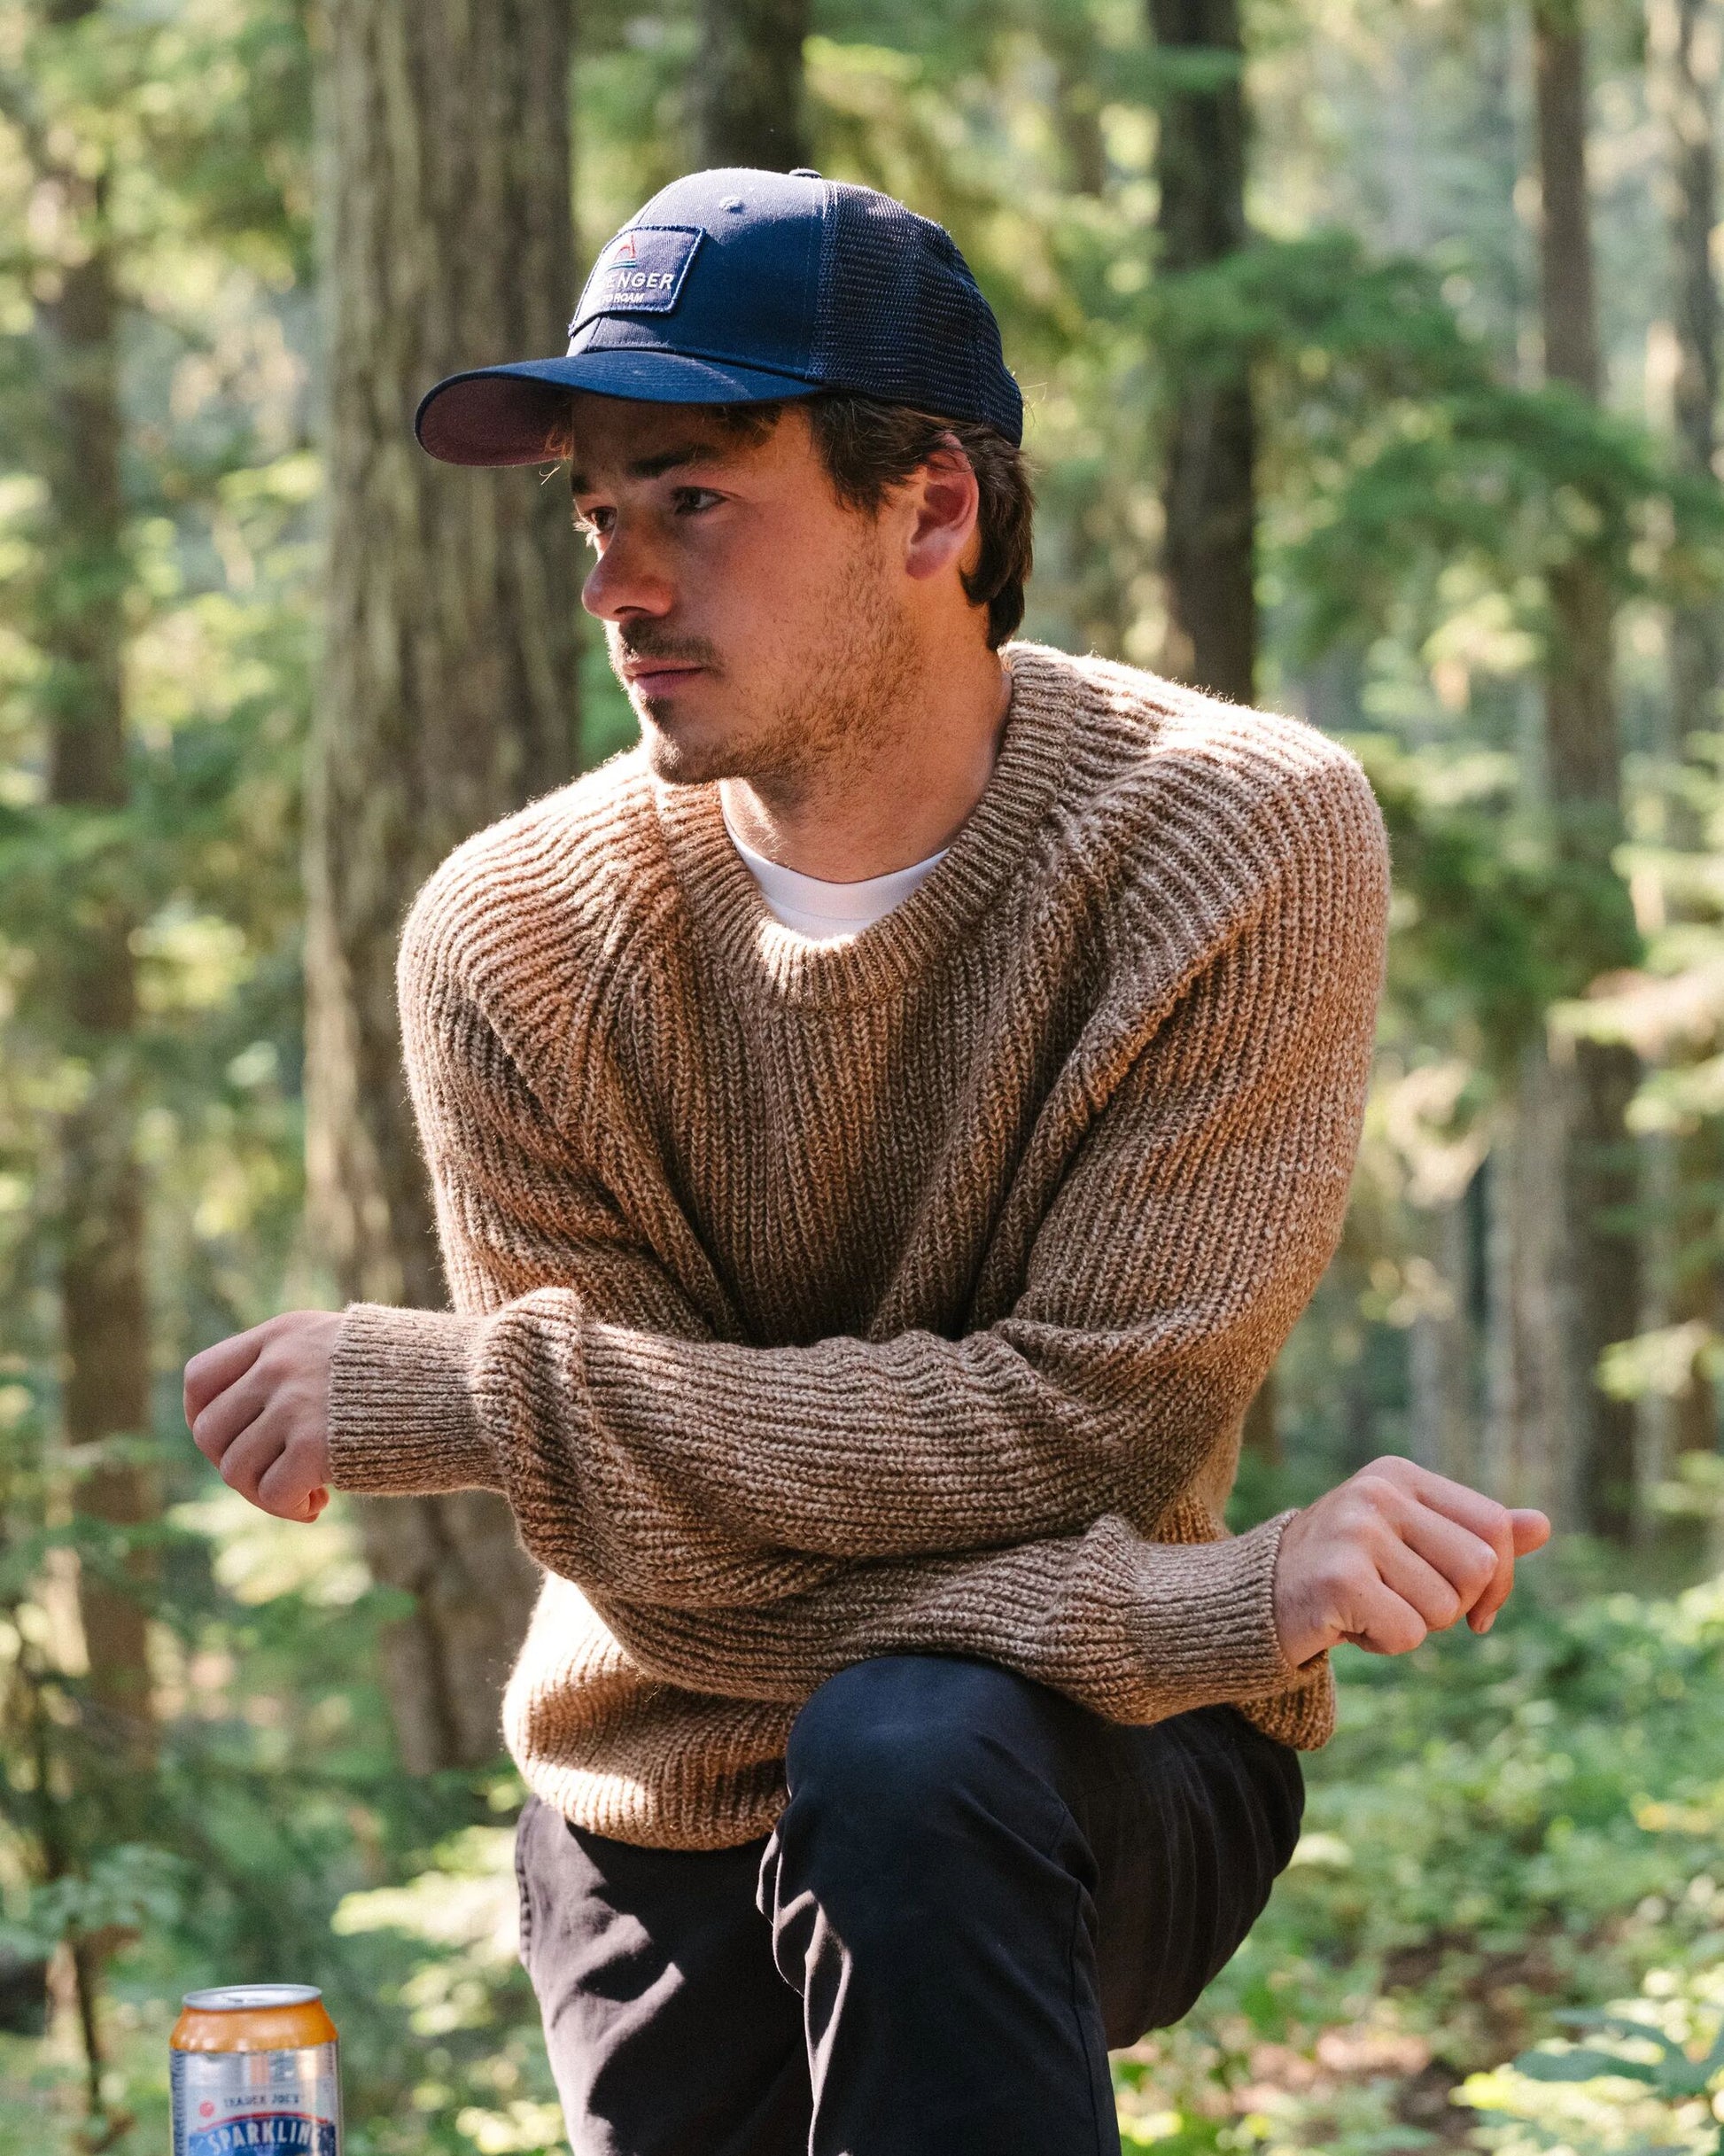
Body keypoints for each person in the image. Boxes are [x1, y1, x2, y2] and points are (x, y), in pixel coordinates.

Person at [184, 168, 1550, 2156]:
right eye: (594, 513)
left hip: (1075, 1750)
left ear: (932, 507)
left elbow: (1084, 1425)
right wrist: (1221, 1597)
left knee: (911, 1746)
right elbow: (652, 1561)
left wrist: (477, 1395)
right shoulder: (512, 933)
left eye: (691, 499)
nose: (615, 585)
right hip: (659, 1765)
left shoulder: (1231, 838)